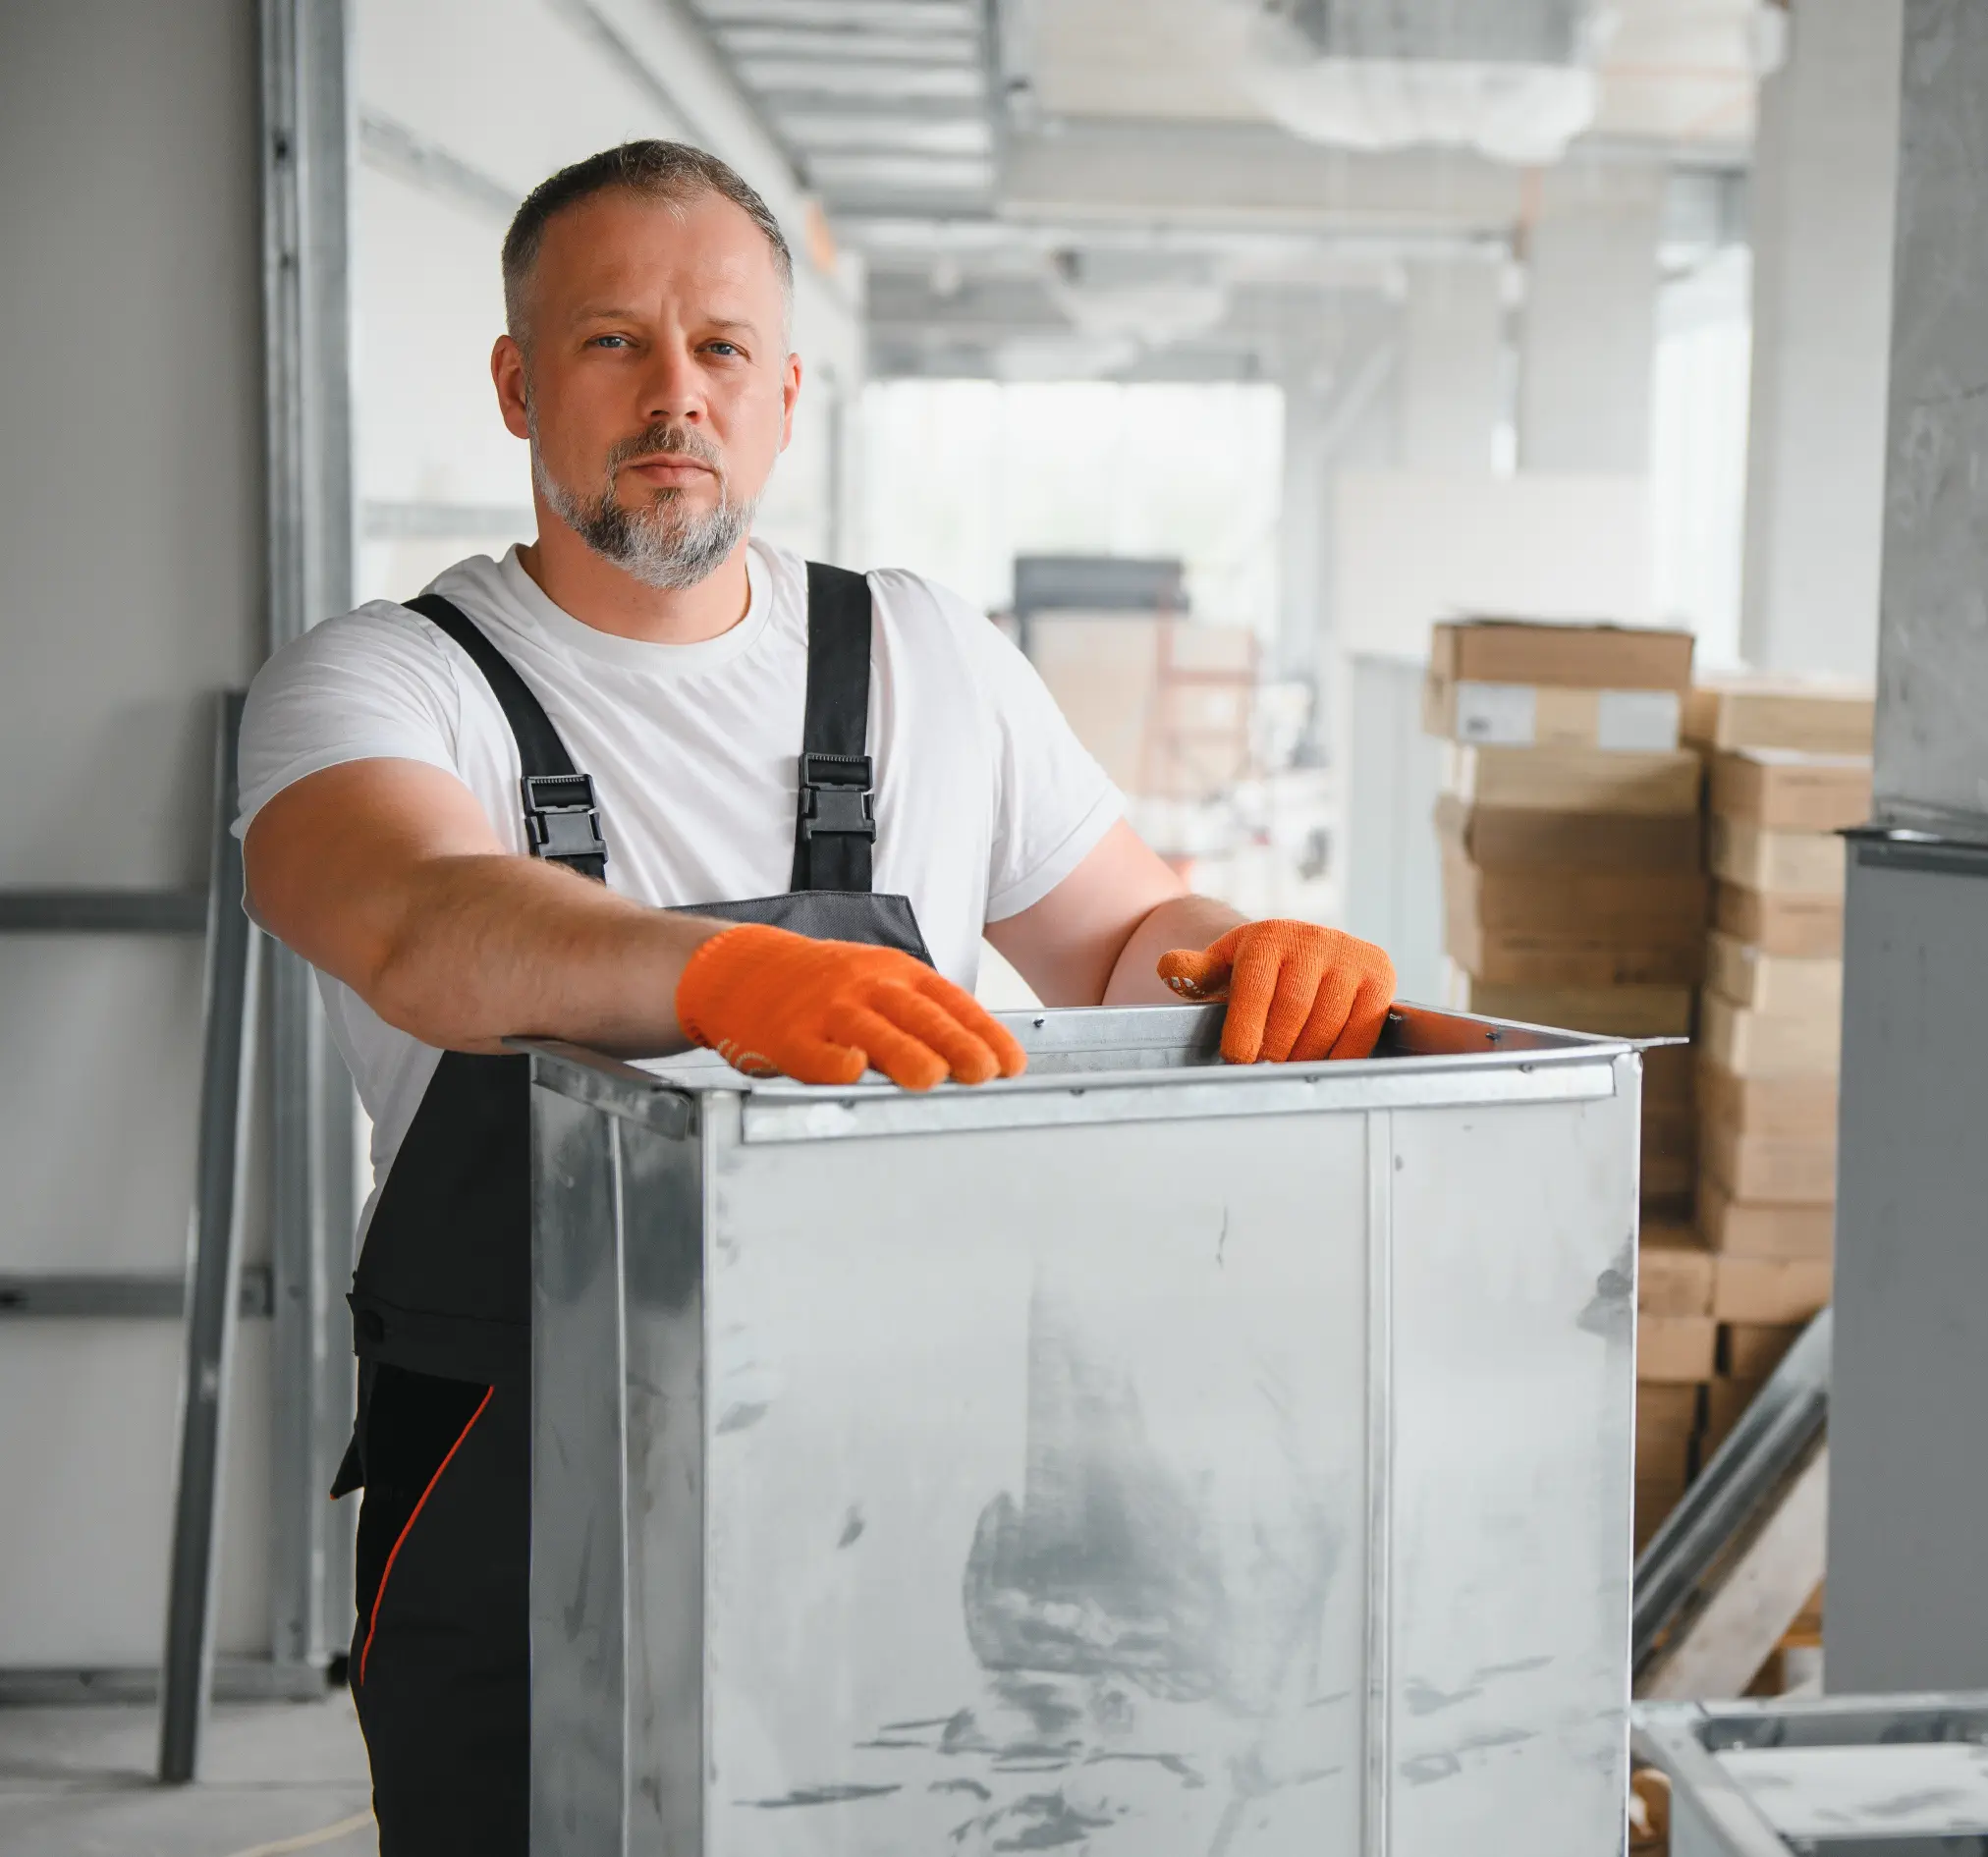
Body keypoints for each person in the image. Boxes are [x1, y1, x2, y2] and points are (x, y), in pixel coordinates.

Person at [235, 138, 1395, 1852]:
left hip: (915, 1471)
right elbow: (414, 917)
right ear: (515, 382)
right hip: (524, 1481)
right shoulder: (386, 680)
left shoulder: (929, 657)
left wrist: (1246, 956)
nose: (672, 393)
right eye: (611, 340)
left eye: (718, 350)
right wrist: (715, 972)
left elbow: (1122, 927)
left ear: (782, 394)